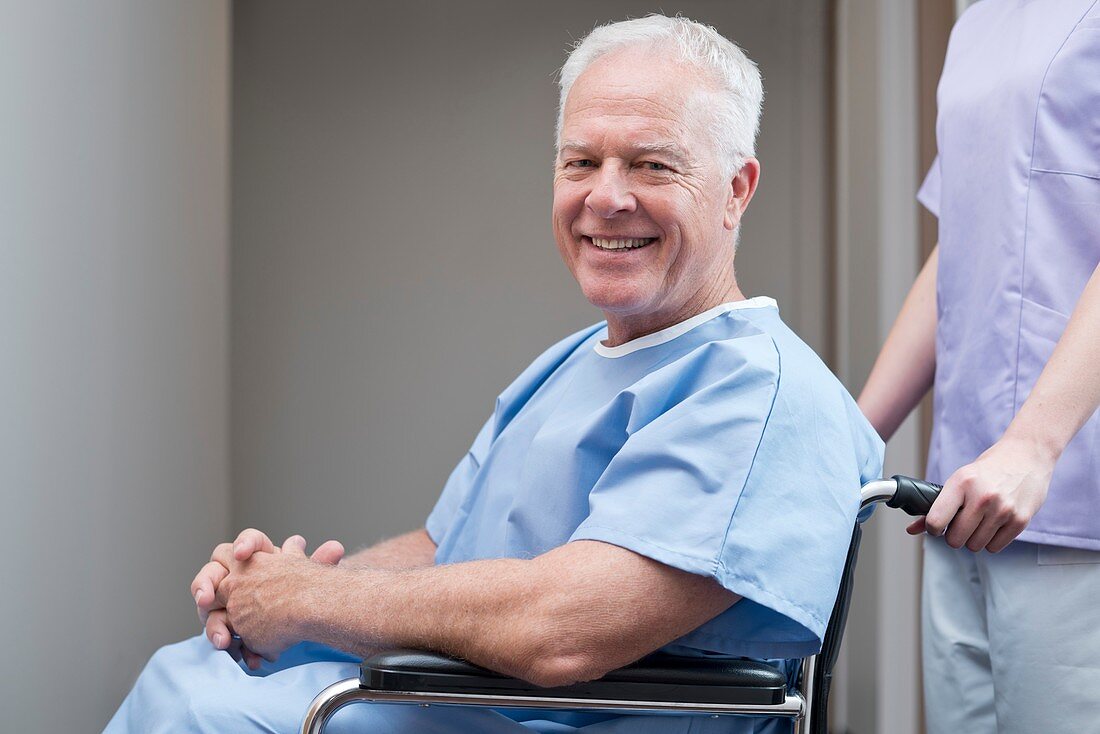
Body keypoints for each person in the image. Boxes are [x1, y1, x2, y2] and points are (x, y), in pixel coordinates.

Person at [106, 15, 882, 734]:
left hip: (538, 714)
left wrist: (317, 600)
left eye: (652, 164)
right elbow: (445, 546)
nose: (606, 198)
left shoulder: (759, 394)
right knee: (189, 668)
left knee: (207, 713)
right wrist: (270, 586)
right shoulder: (575, 362)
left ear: (736, 191)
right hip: (471, 696)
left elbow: (561, 633)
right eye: (581, 162)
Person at [857, 1, 1100, 732]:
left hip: (1073, 495)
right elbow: (962, 243)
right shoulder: (981, 18)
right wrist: (852, 435)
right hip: (963, 495)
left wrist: (1033, 443)